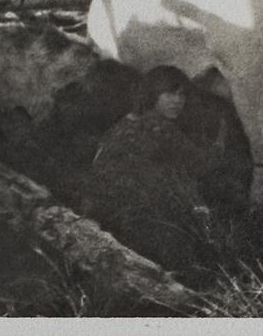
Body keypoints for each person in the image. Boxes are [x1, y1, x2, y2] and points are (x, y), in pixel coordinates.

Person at [81, 66, 219, 275]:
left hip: (96, 210)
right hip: (131, 216)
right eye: (169, 93)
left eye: (182, 95)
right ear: (152, 93)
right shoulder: (159, 126)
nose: (177, 101)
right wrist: (221, 141)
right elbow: (202, 165)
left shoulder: (126, 121)